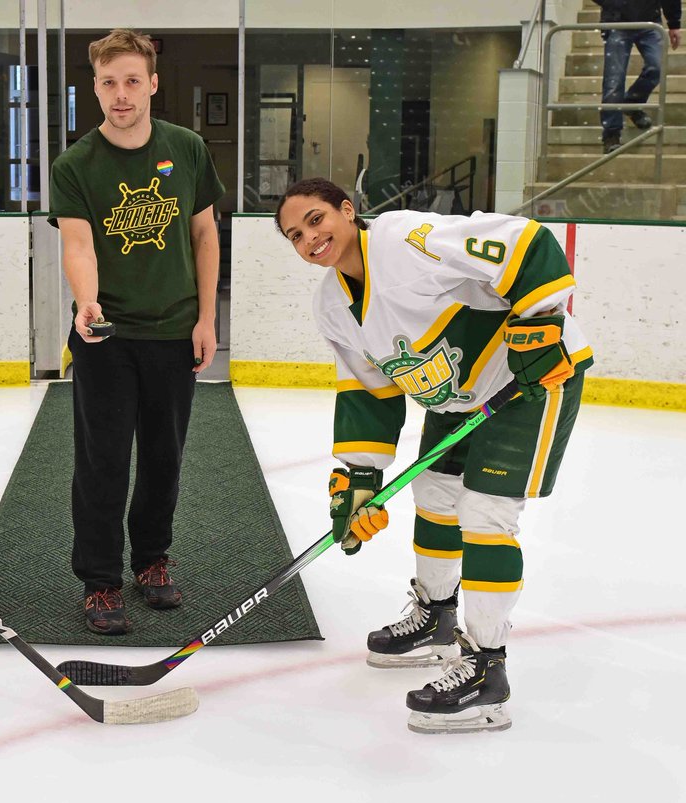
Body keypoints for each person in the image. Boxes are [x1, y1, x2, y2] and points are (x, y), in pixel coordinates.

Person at [275, 178, 593, 733]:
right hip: (457, 397)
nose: (310, 239)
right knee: (435, 496)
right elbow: (368, 390)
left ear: (347, 210)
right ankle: (437, 619)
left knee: (486, 514)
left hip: (528, 381)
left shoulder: (406, 240)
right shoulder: (331, 305)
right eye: (295, 236)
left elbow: (524, 241)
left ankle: (487, 669)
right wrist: (360, 477)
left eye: (316, 220)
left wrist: (540, 325)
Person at [48, 29, 224, 635]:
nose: (120, 94)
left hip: (174, 331)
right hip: (108, 336)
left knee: (162, 458)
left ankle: (151, 560)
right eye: (108, 83)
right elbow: (78, 245)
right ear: (94, 88)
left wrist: (206, 317)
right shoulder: (75, 164)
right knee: (102, 461)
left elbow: (204, 235)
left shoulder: (187, 148)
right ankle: (100, 581)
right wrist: (87, 303)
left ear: (152, 83)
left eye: (130, 81)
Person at [594, 1, 681, 153]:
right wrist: (616, 5)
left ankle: (632, 103)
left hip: (650, 21)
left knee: (658, 67)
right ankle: (611, 134)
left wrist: (674, 23)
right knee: (614, 81)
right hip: (617, 22)